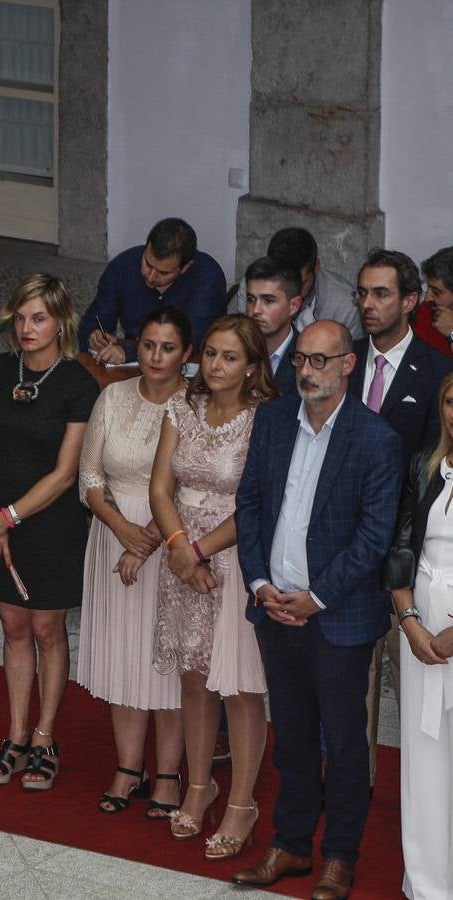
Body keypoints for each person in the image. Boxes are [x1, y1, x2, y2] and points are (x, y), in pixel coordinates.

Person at [233, 320, 403, 898]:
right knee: (295, 737)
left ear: (348, 365)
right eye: (302, 359)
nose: (308, 371)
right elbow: (250, 502)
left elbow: (374, 537)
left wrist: (316, 597)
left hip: (337, 618)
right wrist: (259, 582)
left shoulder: (375, 440)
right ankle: (291, 844)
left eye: (321, 361)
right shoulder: (275, 420)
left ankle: (340, 855)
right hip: (274, 607)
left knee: (346, 743)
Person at [0, 274, 98, 792]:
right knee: (14, 628)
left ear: (61, 321)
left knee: (46, 630)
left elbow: (67, 473)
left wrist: (10, 517)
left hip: (50, 525)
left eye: (38, 317)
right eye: (20, 317)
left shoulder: (77, 383)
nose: (27, 327)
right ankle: (16, 734)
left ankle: (45, 736)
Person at [149, 314, 274, 858]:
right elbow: (160, 486)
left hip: (236, 559)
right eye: (213, 355)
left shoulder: (264, 420)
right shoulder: (182, 407)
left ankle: (243, 802)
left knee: (240, 687)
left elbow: (257, 504)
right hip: (182, 555)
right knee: (194, 676)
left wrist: (197, 552)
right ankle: (200, 786)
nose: (217, 366)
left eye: (230, 357)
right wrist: (179, 547)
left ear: (251, 367)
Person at [76, 306, 192, 817]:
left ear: (187, 354)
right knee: (123, 654)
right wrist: (122, 531)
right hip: (110, 536)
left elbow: (193, 485)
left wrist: (146, 541)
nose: (156, 357)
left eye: (168, 348)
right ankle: (128, 768)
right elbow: (89, 477)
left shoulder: (195, 407)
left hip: (172, 542)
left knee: (164, 662)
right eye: (147, 345)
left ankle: (167, 774)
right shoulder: (112, 395)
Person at [349, 248, 453, 785]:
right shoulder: (341, 361)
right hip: (343, 556)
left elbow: (434, 480)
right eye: (362, 293)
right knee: (348, 691)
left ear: (410, 301)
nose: (368, 304)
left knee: (412, 691)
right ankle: (351, 792)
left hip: (403, 562)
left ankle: (425, 801)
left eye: (381, 293)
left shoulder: (440, 374)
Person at [385, 371, 453, 899]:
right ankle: (428, 883)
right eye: (450, 401)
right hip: (420, 622)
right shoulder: (425, 466)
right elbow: (402, 545)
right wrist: (410, 623)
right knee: (423, 754)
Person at [79, 218, 227, 363]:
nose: (150, 277)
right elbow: (94, 319)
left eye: (163, 273)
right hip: (129, 368)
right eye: (148, 264)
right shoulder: (122, 267)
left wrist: (130, 353)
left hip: (188, 369)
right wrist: (94, 336)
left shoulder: (207, 277)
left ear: (185, 268)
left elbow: (190, 341)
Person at [228, 226, 362, 338]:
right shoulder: (253, 286)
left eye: (301, 284)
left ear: (316, 268)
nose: (291, 293)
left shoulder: (345, 305)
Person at [241, 256, 304, 397]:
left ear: (294, 306)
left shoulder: (307, 359)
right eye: (250, 299)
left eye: (268, 301)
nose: (255, 310)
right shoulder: (233, 347)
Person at [414, 246, 453, 358]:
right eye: (429, 288)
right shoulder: (427, 310)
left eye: (436, 292)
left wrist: (451, 332)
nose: (427, 297)